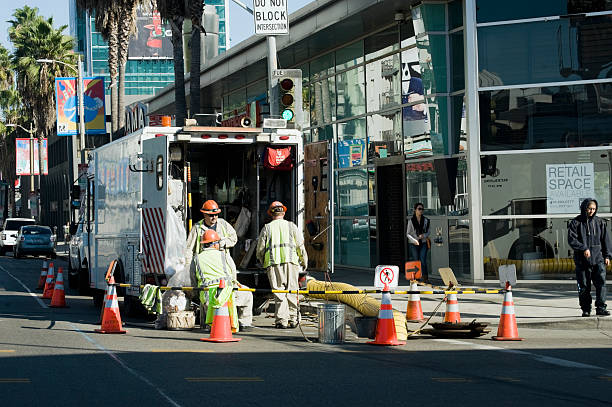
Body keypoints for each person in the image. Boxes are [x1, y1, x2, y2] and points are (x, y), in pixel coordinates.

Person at [256, 201, 307, 329]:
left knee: (279, 292)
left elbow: (260, 249)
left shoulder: (267, 228)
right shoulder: (291, 226)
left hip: (273, 264)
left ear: (271, 214)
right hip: (291, 263)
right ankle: (293, 319)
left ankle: (282, 321)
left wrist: (262, 261)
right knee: (292, 290)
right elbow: (300, 246)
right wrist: (304, 260)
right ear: (283, 212)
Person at [193, 229, 254, 331]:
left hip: (208, 296)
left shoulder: (196, 258)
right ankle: (244, 323)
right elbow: (233, 274)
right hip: (228, 293)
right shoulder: (224, 255)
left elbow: (193, 279)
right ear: (216, 244)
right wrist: (235, 283)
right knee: (247, 293)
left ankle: (209, 323)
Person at [568, 198, 611, 317]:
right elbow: (572, 240)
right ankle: (586, 309)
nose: (591, 211)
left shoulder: (600, 222)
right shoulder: (576, 223)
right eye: (589, 209)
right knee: (584, 287)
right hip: (582, 262)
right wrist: (583, 248)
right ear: (584, 208)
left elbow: (605, 240)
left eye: (593, 209)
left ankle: (601, 307)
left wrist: (607, 255)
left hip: (598, 260)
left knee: (601, 285)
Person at [184, 199, 237, 268]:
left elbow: (234, 238)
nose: (214, 217)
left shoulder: (223, 224)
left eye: (216, 215)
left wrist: (224, 243)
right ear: (204, 214)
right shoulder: (197, 228)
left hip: (222, 264)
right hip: (204, 265)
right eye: (211, 215)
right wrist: (188, 266)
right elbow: (189, 249)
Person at [407, 202, 430, 279]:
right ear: (415, 210)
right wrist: (414, 240)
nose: (421, 211)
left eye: (422, 209)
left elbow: (428, 232)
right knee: (416, 260)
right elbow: (408, 234)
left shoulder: (426, 220)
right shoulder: (411, 221)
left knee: (422, 259)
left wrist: (424, 235)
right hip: (414, 243)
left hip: (423, 242)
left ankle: (425, 278)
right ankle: (417, 278)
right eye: (419, 209)